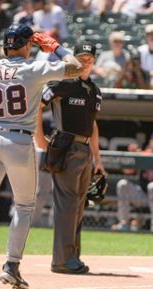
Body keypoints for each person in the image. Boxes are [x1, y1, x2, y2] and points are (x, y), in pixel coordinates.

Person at [0, 23, 83, 289]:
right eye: (30, 45)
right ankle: (11, 266)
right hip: (19, 140)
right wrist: (54, 46)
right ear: (25, 46)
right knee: (24, 206)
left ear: (4, 46)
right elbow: (76, 66)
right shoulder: (32, 69)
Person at [35, 40, 104, 275]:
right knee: (67, 205)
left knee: (77, 206)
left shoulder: (94, 90)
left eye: (89, 59)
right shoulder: (63, 83)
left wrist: (98, 159)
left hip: (84, 151)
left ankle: (72, 256)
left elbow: (93, 125)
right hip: (66, 146)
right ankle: (62, 261)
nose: (85, 63)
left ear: (94, 62)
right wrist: (39, 139)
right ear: (72, 59)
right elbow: (37, 104)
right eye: (81, 59)